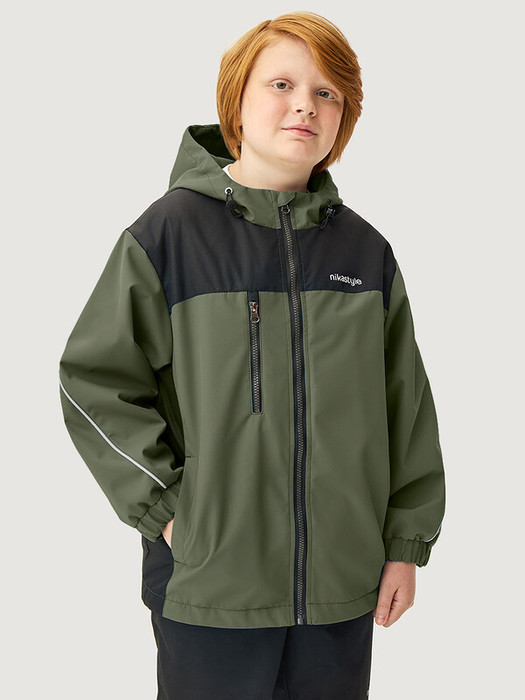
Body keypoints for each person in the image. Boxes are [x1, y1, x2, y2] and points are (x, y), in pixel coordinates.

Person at [59, 10, 446, 699]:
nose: (306, 105)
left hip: (340, 585)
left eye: (327, 93)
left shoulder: (365, 254)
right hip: (211, 584)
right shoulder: (168, 235)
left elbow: (406, 409)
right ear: (236, 101)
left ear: (343, 119)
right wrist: (168, 511)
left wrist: (403, 545)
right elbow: (92, 382)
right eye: (282, 84)